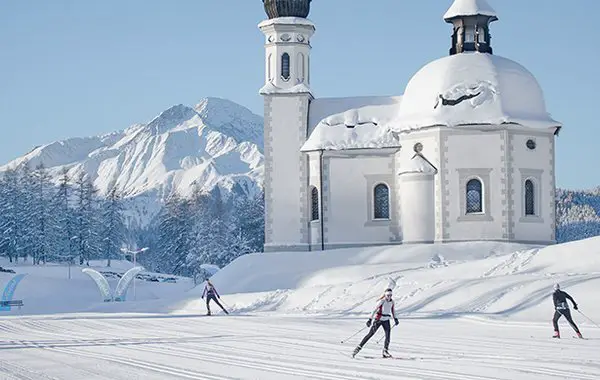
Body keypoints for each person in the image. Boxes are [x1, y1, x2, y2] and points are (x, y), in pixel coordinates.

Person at [352, 288, 399, 358]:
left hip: (386, 320)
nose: (389, 297)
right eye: (388, 295)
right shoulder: (382, 301)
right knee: (370, 334)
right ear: (385, 295)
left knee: (388, 336)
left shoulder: (392, 302)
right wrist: (370, 320)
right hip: (378, 320)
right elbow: (374, 310)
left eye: (390, 295)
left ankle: (385, 351)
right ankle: (358, 348)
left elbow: (393, 310)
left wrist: (395, 318)